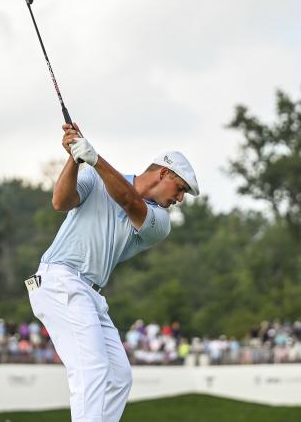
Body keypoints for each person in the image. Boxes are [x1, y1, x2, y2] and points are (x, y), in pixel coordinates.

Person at [27, 123, 199, 422]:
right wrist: (74, 156)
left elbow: (128, 199)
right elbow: (60, 201)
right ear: (164, 173)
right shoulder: (94, 177)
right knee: (91, 369)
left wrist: (94, 157)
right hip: (59, 279)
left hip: (89, 293)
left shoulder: (160, 221)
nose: (180, 199)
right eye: (181, 188)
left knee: (119, 376)